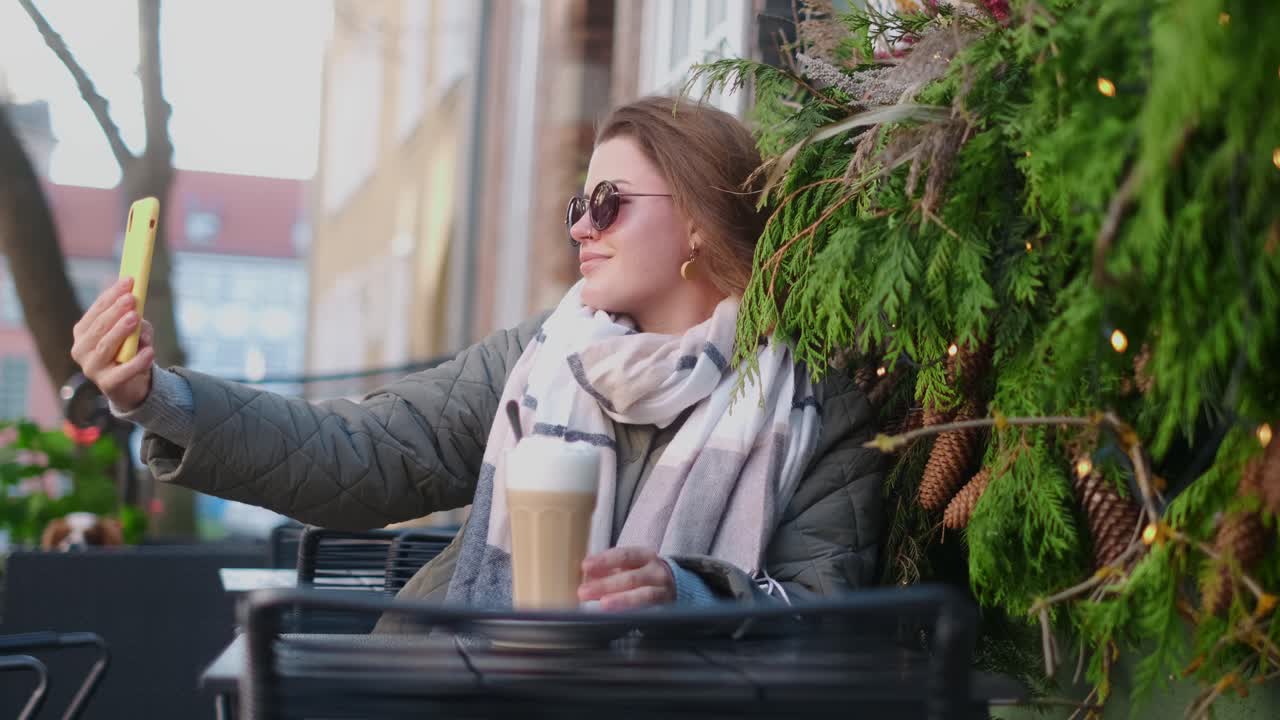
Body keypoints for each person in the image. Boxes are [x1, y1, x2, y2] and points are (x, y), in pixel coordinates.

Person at [71, 96, 883, 621]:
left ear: (699, 220)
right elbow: (361, 452)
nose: (581, 228)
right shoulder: (542, 359)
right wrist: (155, 396)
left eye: (609, 204)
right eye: (580, 204)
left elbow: (825, 613)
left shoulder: (814, 406)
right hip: (466, 684)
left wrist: (691, 593)